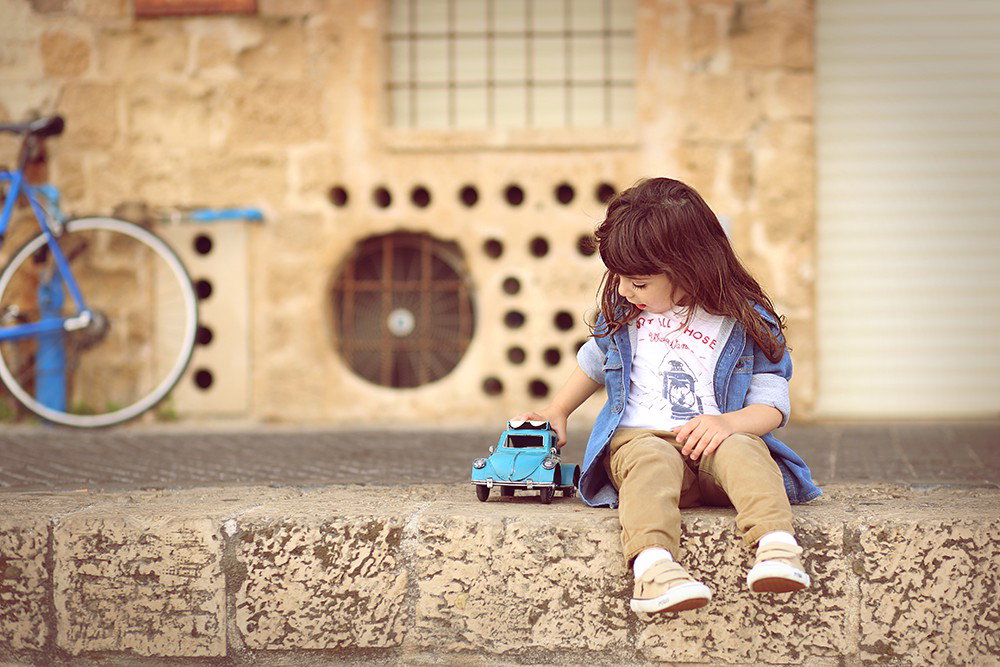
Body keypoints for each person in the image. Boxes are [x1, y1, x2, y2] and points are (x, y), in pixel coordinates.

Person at [515, 177, 821, 616]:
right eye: (618, 279)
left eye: (638, 283)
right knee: (651, 462)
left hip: (714, 449)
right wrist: (558, 410)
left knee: (746, 451)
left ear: (687, 270)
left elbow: (772, 406)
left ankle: (777, 548)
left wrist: (729, 424)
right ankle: (655, 568)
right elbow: (595, 360)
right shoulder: (627, 314)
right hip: (643, 442)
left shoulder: (744, 323)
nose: (623, 291)